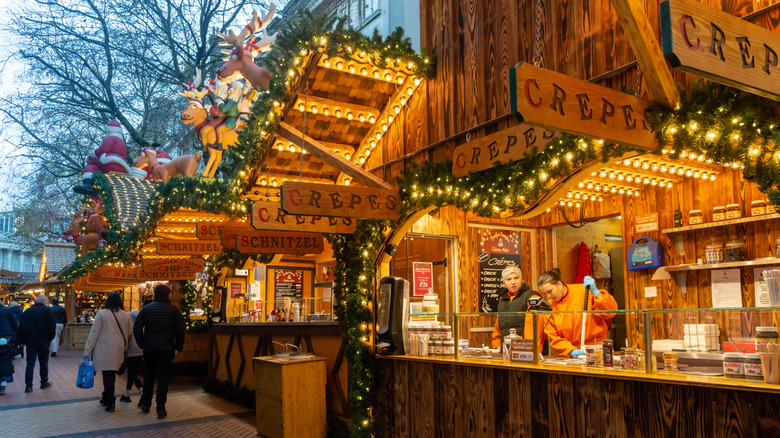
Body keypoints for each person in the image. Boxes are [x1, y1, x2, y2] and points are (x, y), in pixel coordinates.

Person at [537, 268, 617, 358]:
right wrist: (570, 350)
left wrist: (597, 293)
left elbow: (611, 312)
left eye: (549, 291)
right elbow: (553, 337)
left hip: (597, 348)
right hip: (572, 353)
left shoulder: (584, 291)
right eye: (545, 294)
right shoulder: (549, 307)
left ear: (559, 284)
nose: (548, 296)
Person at [133, 284, 185, 419]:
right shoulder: (174, 310)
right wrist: (178, 347)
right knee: (163, 378)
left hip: (149, 348)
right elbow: (180, 330)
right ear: (168, 295)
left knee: (149, 376)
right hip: (166, 348)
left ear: (155, 294)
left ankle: (146, 404)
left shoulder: (146, 309)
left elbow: (136, 328)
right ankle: (160, 408)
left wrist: (142, 344)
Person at [83, 292, 133, 412]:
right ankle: (106, 396)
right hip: (118, 349)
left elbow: (94, 333)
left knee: (107, 374)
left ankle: (110, 401)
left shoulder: (101, 313)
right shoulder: (126, 315)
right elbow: (130, 332)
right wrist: (125, 346)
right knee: (111, 373)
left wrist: (87, 351)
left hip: (104, 349)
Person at [491, 266, 551, 349]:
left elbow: (535, 329)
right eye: (508, 279)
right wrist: (497, 346)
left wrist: (531, 350)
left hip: (525, 350)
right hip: (506, 351)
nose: (513, 282)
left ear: (521, 280)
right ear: (504, 283)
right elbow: (498, 328)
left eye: (516, 278)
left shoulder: (532, 297)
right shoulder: (502, 301)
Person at [17, 295, 56, 392]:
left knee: (30, 363)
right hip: (43, 340)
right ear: (43, 301)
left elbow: (22, 326)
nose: (48, 302)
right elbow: (52, 326)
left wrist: (23, 340)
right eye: (47, 300)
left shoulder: (28, 311)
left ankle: (28, 385)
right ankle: (44, 382)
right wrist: (50, 338)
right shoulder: (48, 311)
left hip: (31, 341)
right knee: (43, 362)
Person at [120, 310, 143, 403]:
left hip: (131, 353)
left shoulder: (129, 327)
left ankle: (142, 393)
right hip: (140, 352)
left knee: (132, 374)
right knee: (132, 373)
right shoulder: (142, 326)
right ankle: (127, 394)